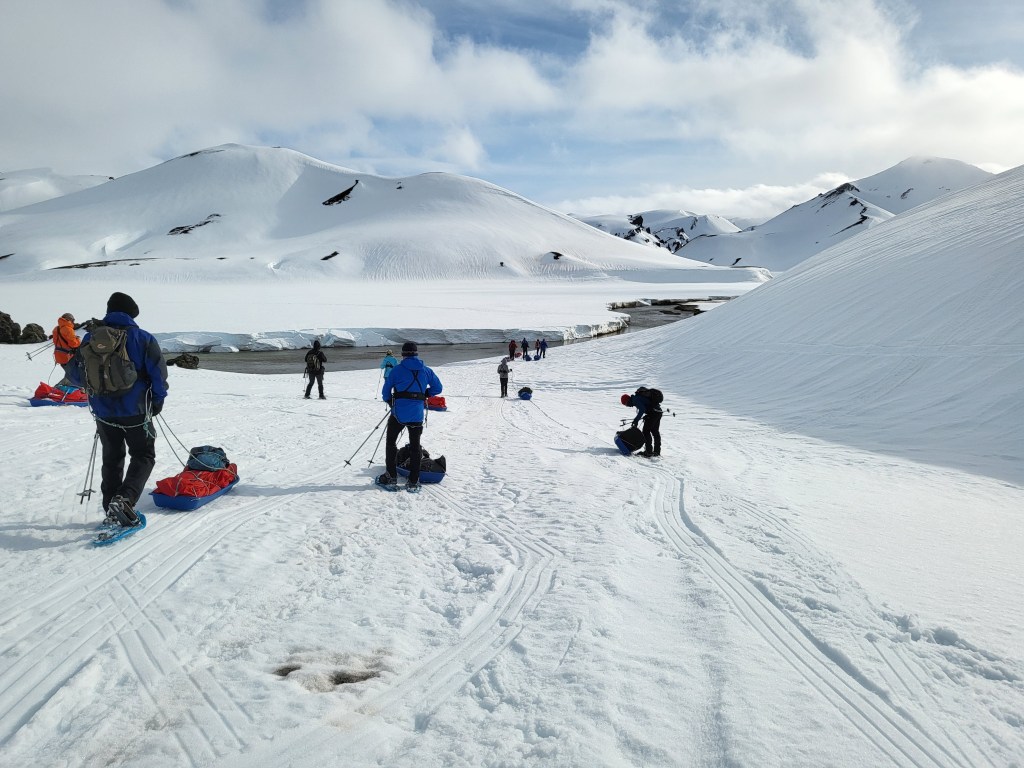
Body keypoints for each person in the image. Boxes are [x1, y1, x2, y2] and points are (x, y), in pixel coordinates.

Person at [68, 292, 168, 528]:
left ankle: (110, 507)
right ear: (132, 313)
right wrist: (157, 400)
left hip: (103, 412)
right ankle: (123, 501)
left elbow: (74, 375)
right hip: (136, 410)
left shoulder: (90, 339)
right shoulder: (143, 338)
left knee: (112, 458)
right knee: (143, 455)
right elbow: (158, 373)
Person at [377, 342, 443, 492]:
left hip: (398, 413)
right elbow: (438, 388)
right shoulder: (426, 371)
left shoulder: (397, 370)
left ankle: (391, 476)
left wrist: (390, 402)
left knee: (391, 443)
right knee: (415, 447)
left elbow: (386, 392)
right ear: (416, 353)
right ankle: (413, 481)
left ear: (403, 354)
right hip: (417, 415)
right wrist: (425, 394)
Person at [628, 387, 662, 457]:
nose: (628, 406)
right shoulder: (638, 397)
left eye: (625, 404)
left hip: (653, 413)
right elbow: (646, 406)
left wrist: (636, 420)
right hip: (658, 412)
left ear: (627, 401)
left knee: (646, 431)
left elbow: (642, 409)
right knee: (655, 431)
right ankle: (657, 452)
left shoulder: (635, 399)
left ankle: (648, 452)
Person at [51, 313, 82, 378]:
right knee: (75, 375)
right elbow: (73, 344)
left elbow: (55, 341)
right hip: (68, 357)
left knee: (69, 374)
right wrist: (78, 339)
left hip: (59, 356)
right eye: (73, 320)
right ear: (69, 319)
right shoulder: (69, 329)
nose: (73, 322)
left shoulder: (56, 329)